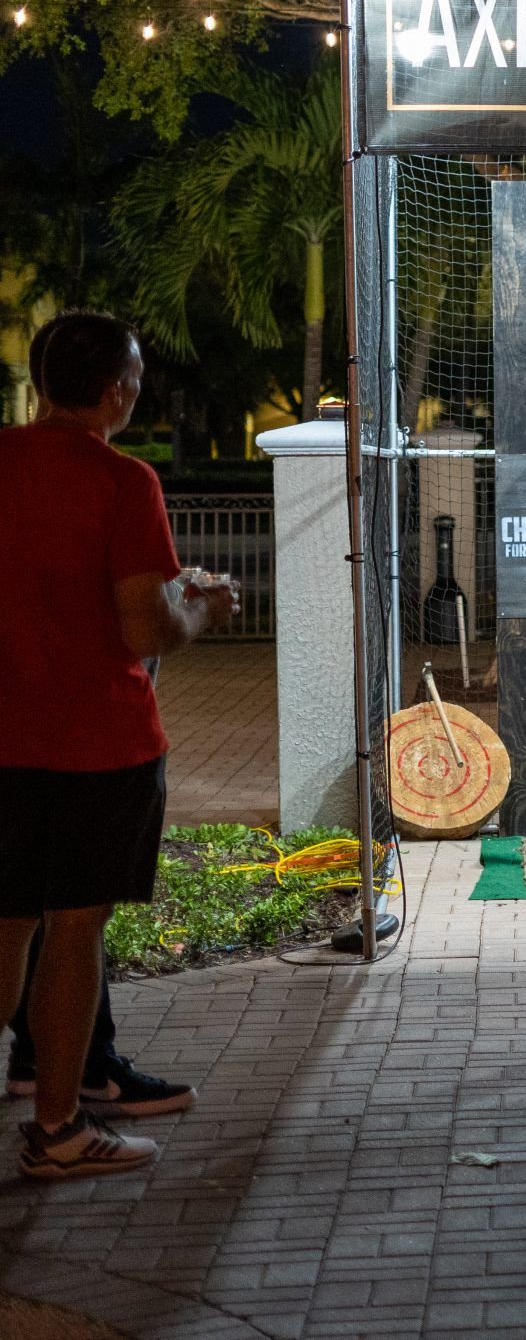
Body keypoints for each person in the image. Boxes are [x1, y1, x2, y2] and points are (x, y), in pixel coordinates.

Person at [0, 313, 235, 1179]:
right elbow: (147, 626)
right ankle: (59, 1129)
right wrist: (201, 607)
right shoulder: (123, 481)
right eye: (135, 378)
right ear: (116, 392)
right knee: (74, 929)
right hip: (98, 743)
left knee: (5, 923)